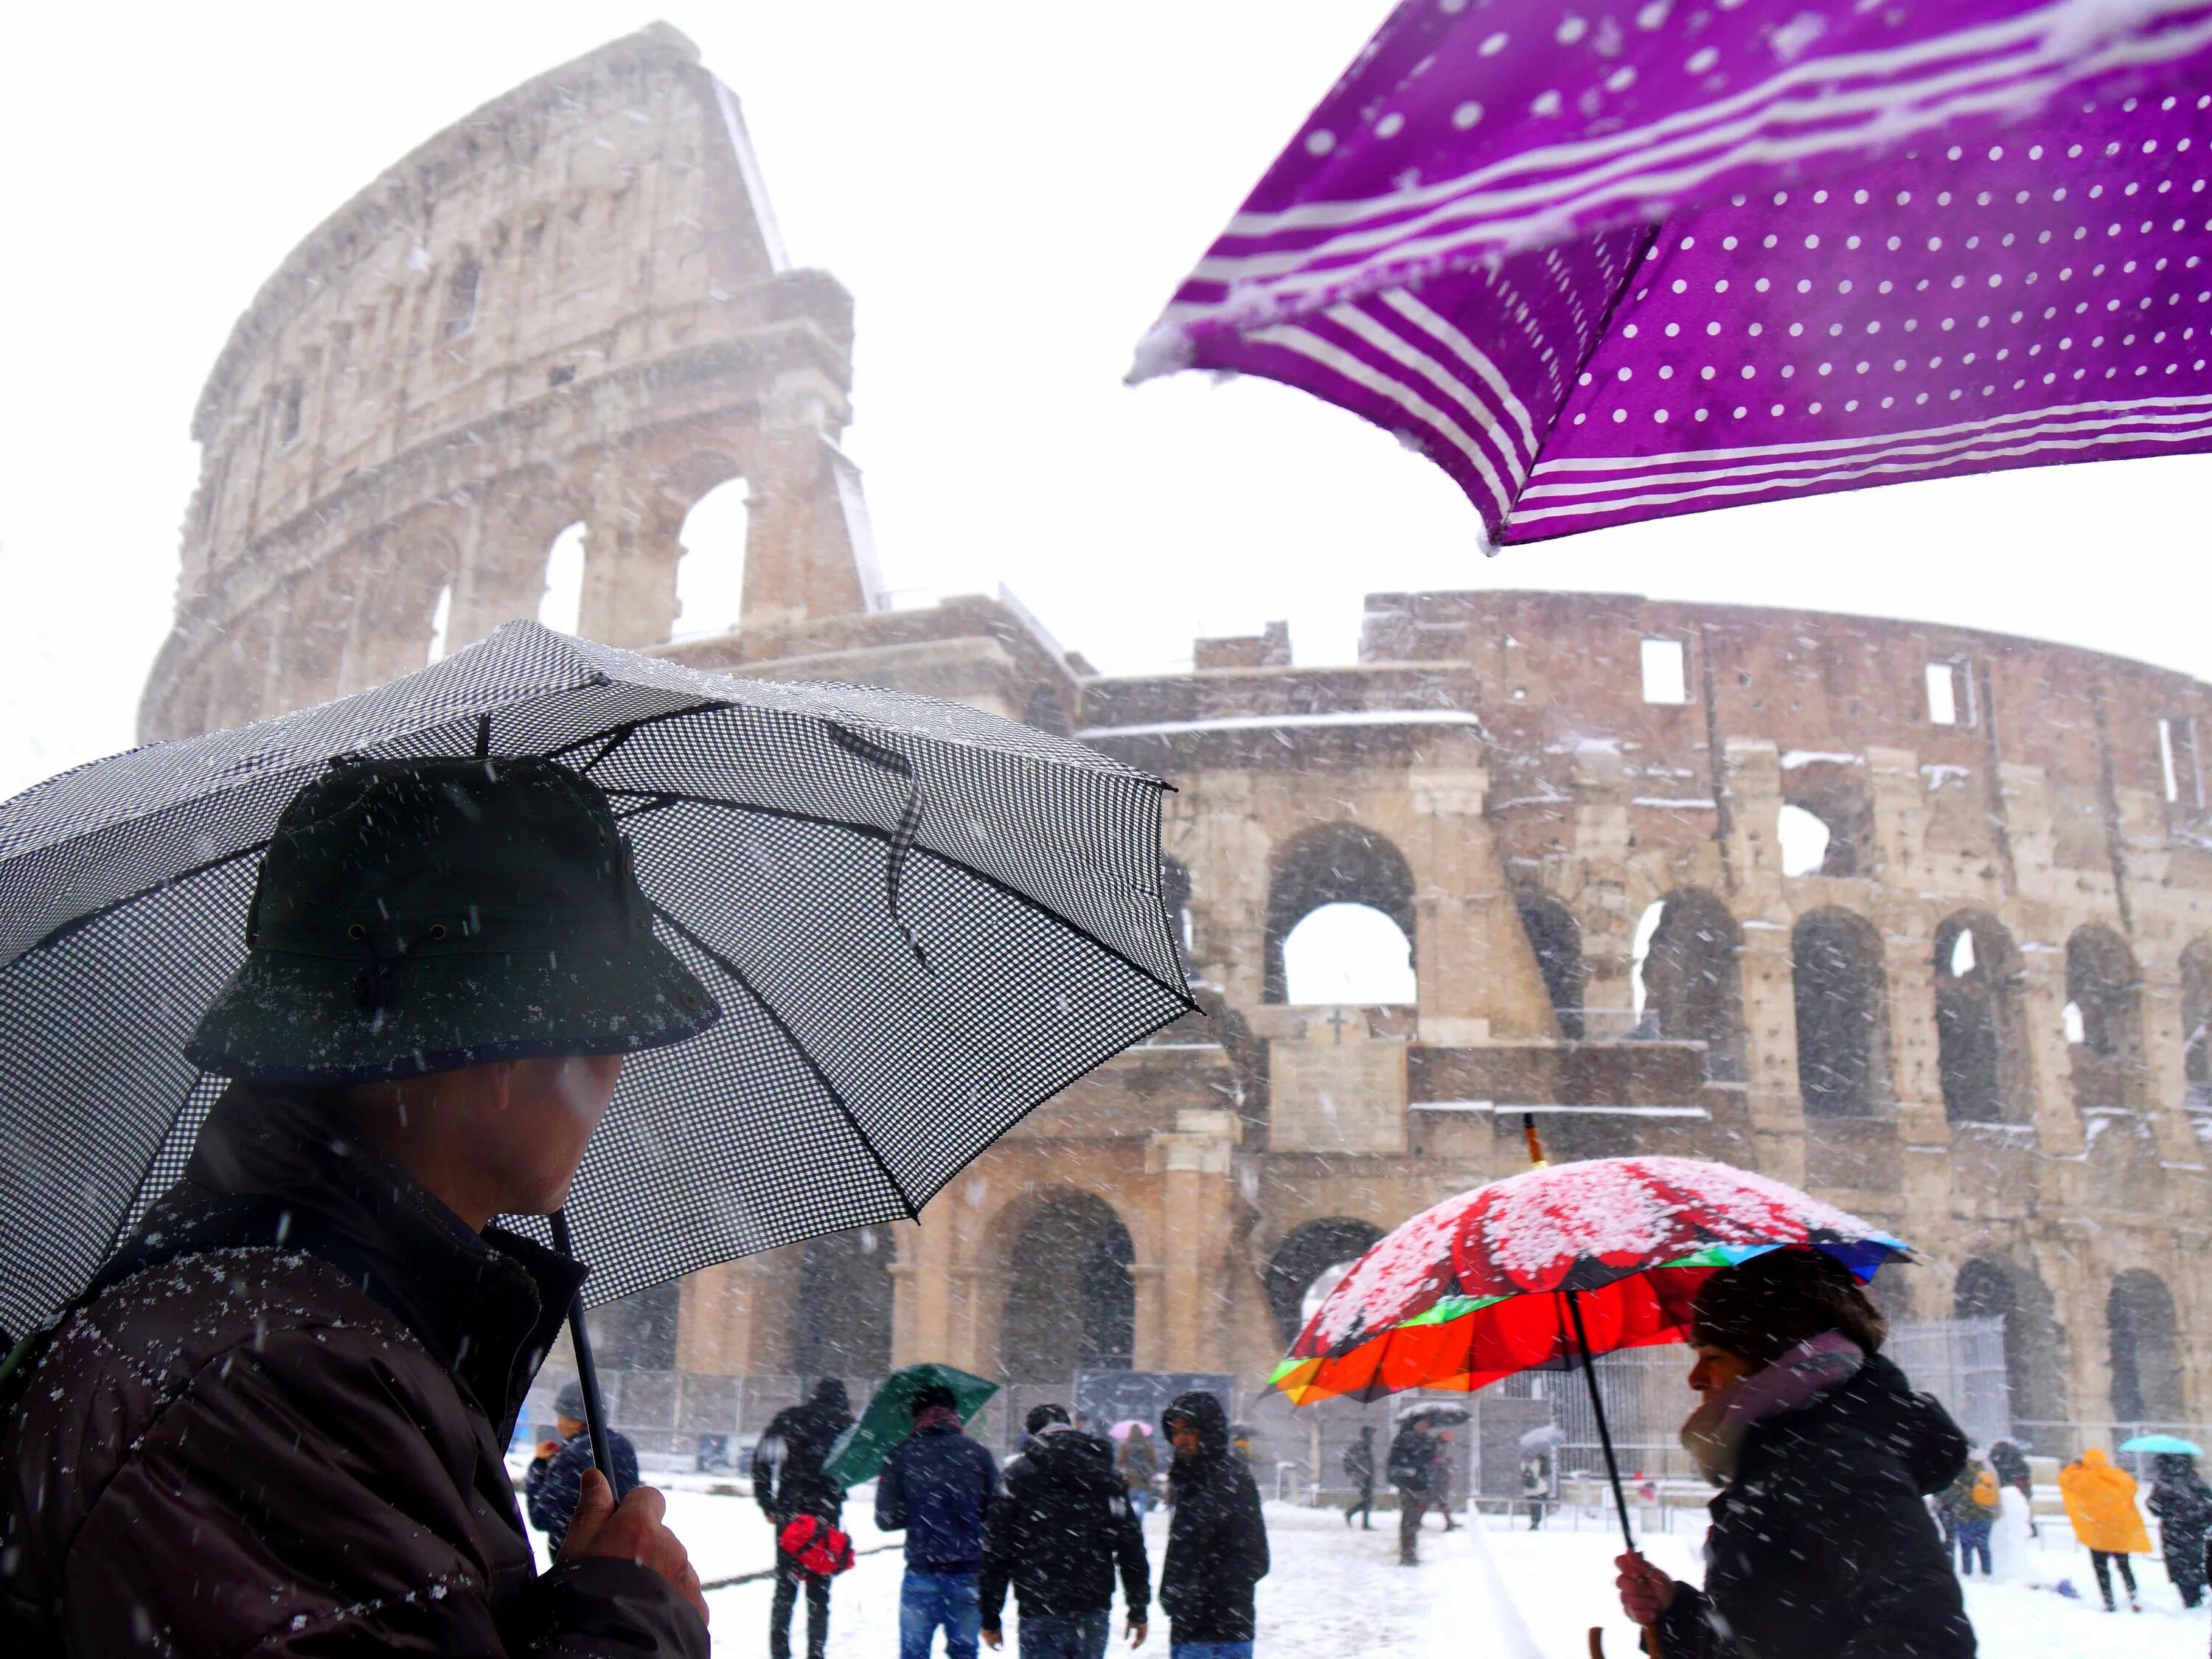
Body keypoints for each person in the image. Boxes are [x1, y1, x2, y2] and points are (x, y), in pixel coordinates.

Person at [0, 756, 719, 1655]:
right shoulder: (286, 1384)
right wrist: (630, 1619)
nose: (619, 1070)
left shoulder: (276, 1326)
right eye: (611, 1032)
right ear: (505, 1052)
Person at [1613, 1247, 1974, 1659]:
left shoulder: (1835, 1465)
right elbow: (1774, 1637)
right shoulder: (1784, 1460)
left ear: (1772, 1363)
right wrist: (1675, 1612)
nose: (1695, 1379)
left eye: (1713, 1357)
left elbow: (1928, 1637)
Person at [980, 1404, 1150, 1659]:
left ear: (1034, 1434)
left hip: (1039, 1602)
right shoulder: (1105, 1474)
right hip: (1092, 1603)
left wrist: (990, 1614)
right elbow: (1131, 1546)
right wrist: (1137, 1608)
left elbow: (997, 1550)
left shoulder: (1016, 1476)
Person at [879, 1382, 1001, 1659]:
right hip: (968, 1572)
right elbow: (996, 1511)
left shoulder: (902, 1454)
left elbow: (885, 1520)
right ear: (954, 1414)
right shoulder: (977, 1453)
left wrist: (920, 1508)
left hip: (922, 1571)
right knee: (964, 1652)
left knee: (913, 1653)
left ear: (917, 1415)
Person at [754, 1378, 858, 1659]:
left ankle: (780, 1653)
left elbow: (763, 1460)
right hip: (826, 1518)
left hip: (791, 1515)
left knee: (785, 1590)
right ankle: (815, 1653)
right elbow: (855, 1469)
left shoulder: (789, 1419)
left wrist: (768, 1503)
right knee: (819, 1593)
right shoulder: (848, 1427)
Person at [1159, 1392, 1267, 1659]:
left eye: (1189, 1431)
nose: (1180, 1439)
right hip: (1188, 1629)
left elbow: (1255, 1558)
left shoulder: (1231, 1480)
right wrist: (1173, 1597)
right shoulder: (1188, 1479)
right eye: (1175, 1432)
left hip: (1223, 1633)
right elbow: (1183, 1550)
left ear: (1208, 1432)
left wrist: (1199, 1595)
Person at [528, 1379, 644, 1553]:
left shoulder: (574, 1456)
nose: (558, 1425)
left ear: (578, 1420)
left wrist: (539, 1465)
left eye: (562, 1417)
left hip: (578, 1564)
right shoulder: (622, 1447)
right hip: (619, 1555)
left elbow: (541, 1518)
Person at [2059, 1447, 2149, 1613]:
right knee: (2124, 1565)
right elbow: (2132, 1487)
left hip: (2098, 1533)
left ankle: (2109, 1601)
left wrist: (2075, 1466)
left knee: (2101, 1568)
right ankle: (2134, 1596)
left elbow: (2065, 1480)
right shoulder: (2115, 1476)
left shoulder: (2083, 1479)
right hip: (2117, 1531)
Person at [2146, 1452, 2212, 1610]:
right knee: (2197, 1564)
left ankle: (2190, 1600)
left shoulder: (2164, 1483)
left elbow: (2154, 1507)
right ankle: (2199, 1592)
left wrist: (2171, 1513)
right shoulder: (2195, 1480)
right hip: (2196, 1533)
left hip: (2173, 1534)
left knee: (2180, 1569)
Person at [1386, 1413, 1439, 1565]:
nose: (1425, 1426)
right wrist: (1409, 1470)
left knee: (1415, 1520)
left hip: (1422, 1485)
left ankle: (1411, 1552)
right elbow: (1395, 1462)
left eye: (1427, 1423)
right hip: (1409, 1486)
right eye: (1423, 1423)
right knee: (1409, 1519)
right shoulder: (1404, 1440)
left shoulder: (1428, 1441)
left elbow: (1432, 1460)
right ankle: (1407, 1554)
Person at [1936, 1450, 2000, 1576]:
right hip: (1986, 1514)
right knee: (1983, 1546)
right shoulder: (1988, 1468)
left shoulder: (1962, 1471)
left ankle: (1967, 1573)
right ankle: (1987, 1572)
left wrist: (1940, 1500)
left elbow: (1950, 1494)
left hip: (1966, 1514)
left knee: (1967, 1547)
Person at [1121, 1422, 1162, 1521]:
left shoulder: (1125, 1445)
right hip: (1144, 1481)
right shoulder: (1147, 1445)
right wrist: (1151, 1471)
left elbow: (1120, 1462)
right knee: (1143, 1505)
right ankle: (1139, 1523)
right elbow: (1155, 1463)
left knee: (1129, 1506)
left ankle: (1131, 1524)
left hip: (1130, 1481)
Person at [1342, 1426, 1376, 1530]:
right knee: (1368, 1500)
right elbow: (1348, 1460)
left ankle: (1361, 1520)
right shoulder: (1361, 1446)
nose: (1374, 1437)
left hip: (1366, 1477)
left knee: (1368, 1501)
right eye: (1373, 1434)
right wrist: (1355, 1473)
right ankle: (1353, 1516)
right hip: (1363, 1478)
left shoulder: (1365, 1446)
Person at [1520, 1450, 1551, 1531]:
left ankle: (1534, 1522)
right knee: (1537, 1507)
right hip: (1540, 1489)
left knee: (1533, 1507)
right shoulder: (1539, 1462)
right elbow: (1546, 1473)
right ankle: (1535, 1522)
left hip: (1529, 1490)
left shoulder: (1523, 1463)